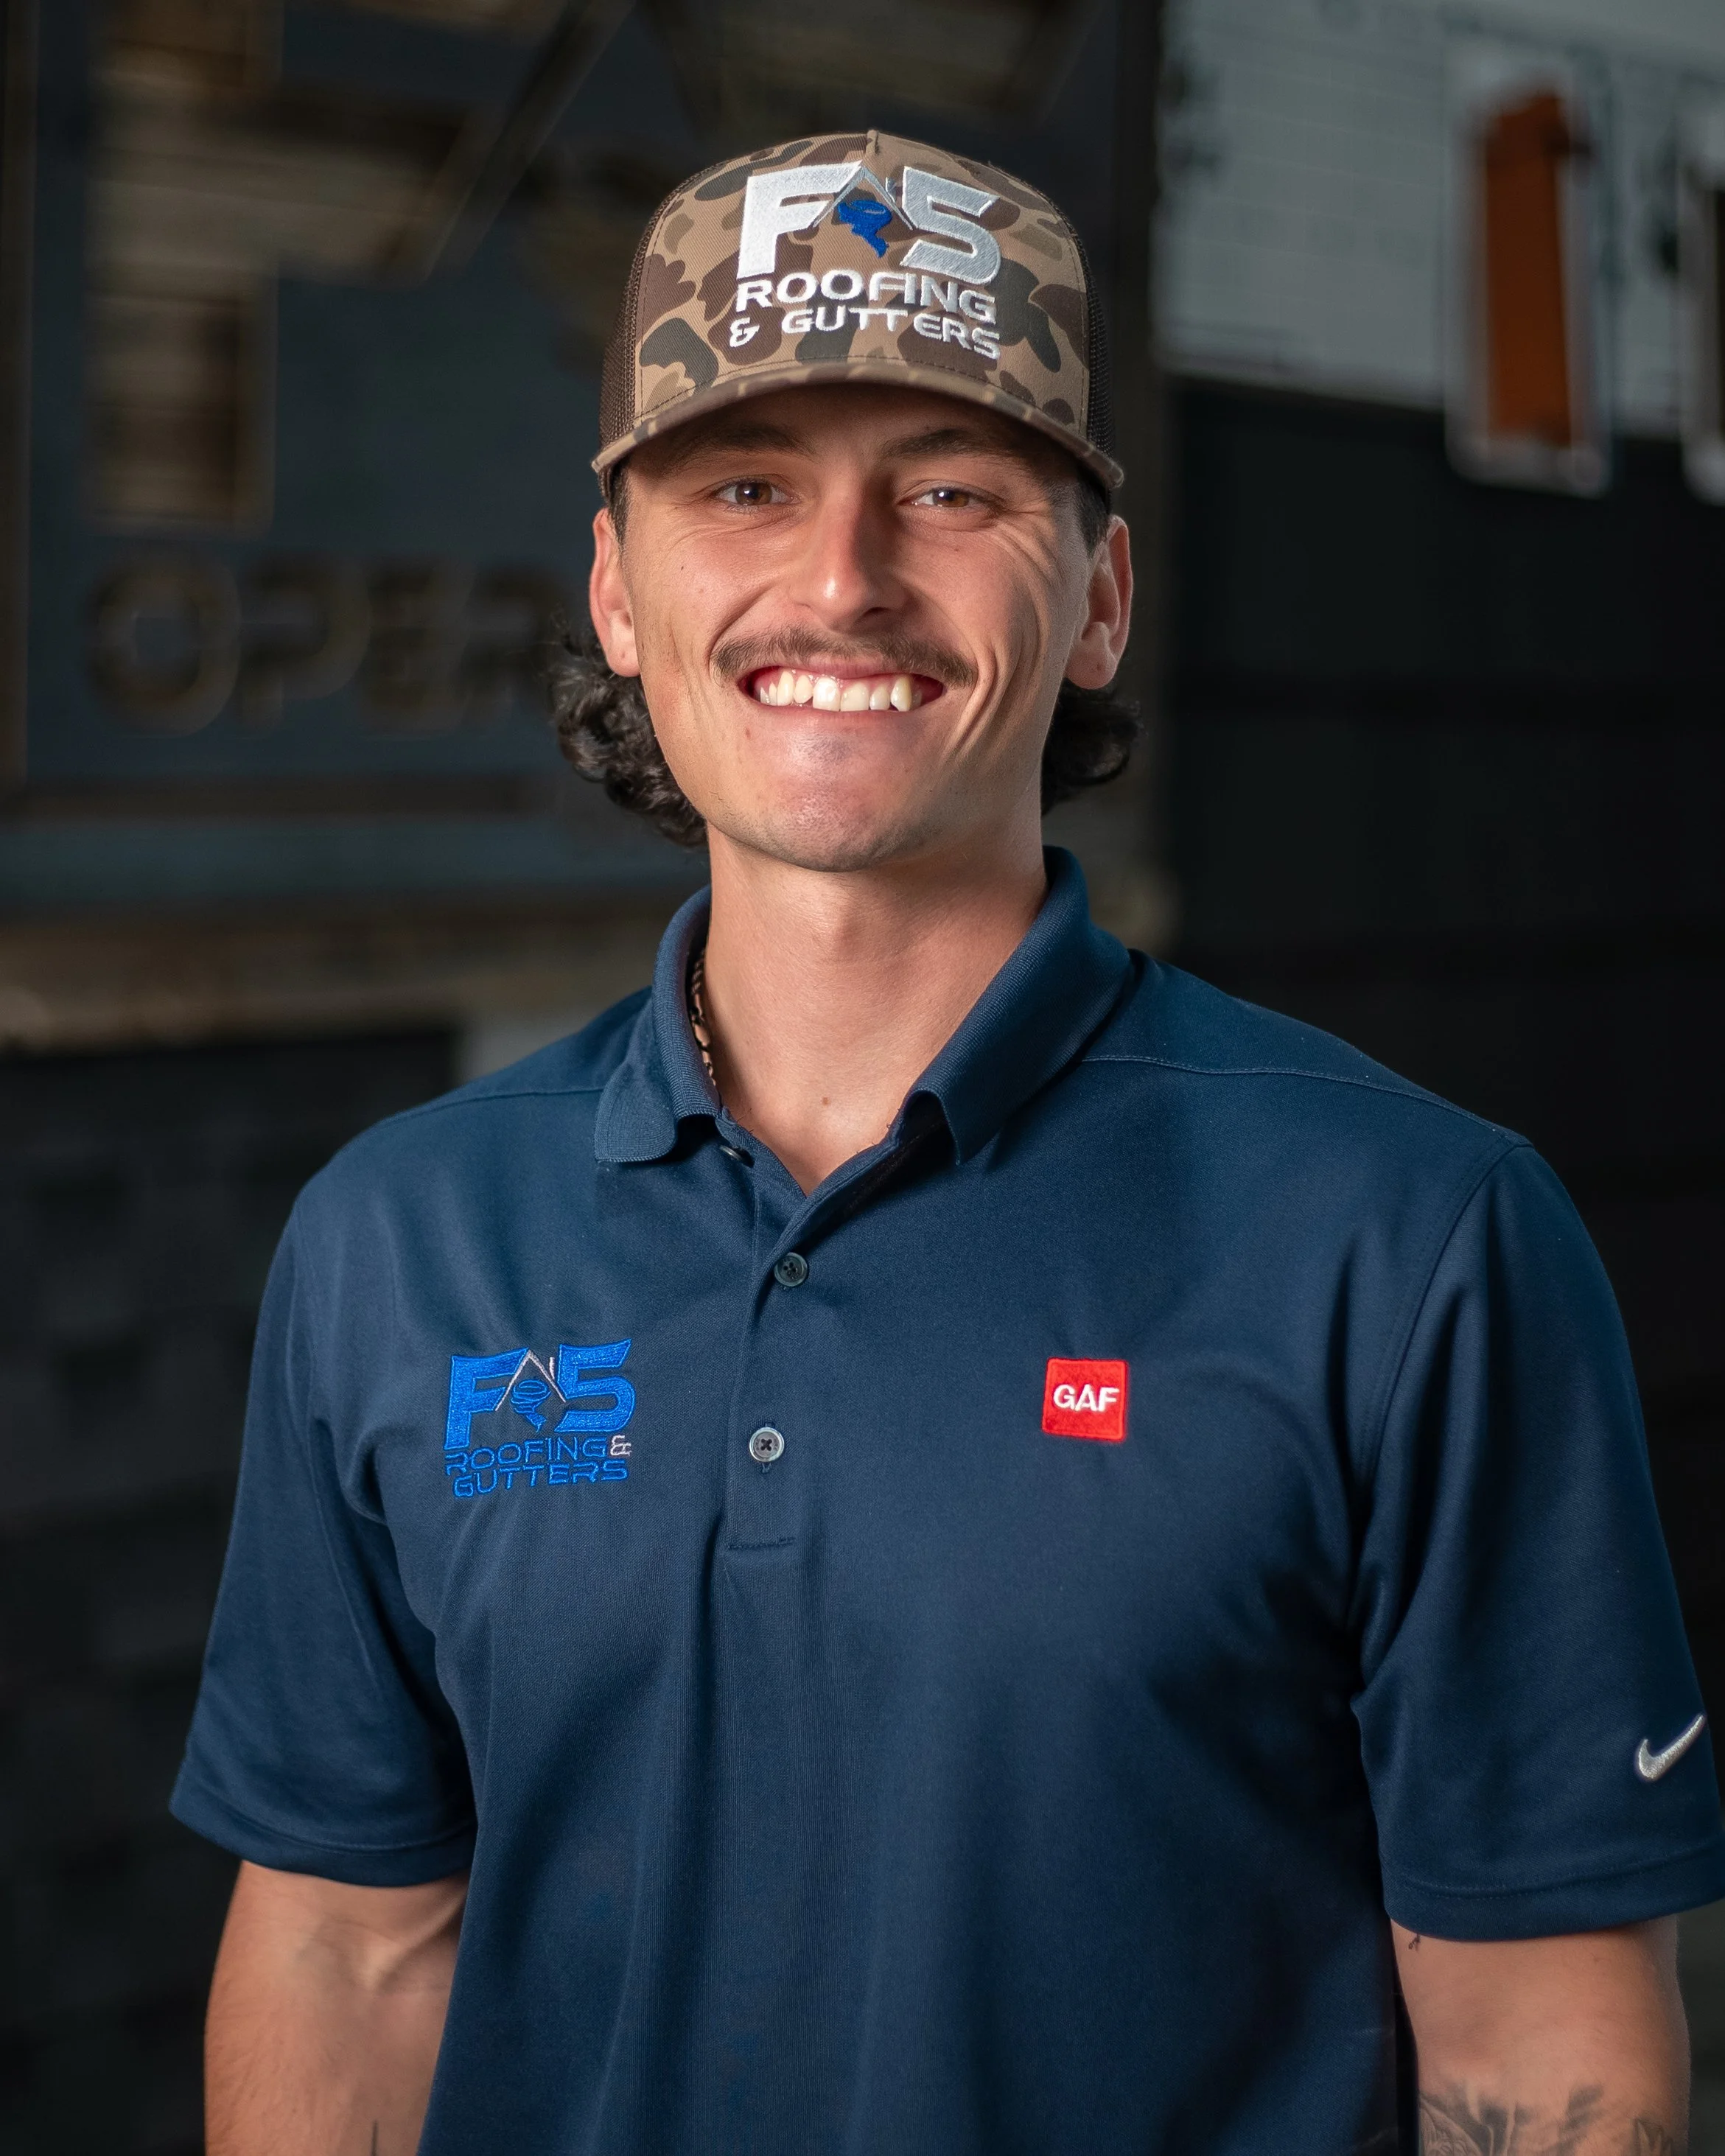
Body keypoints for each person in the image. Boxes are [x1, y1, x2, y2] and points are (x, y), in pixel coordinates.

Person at [175, 132, 1724, 2156]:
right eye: (745, 483)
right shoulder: (403, 1233)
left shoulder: (1409, 1235)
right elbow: (344, 1948)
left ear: (1095, 599)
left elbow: (1546, 2052)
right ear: (618, 593)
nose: (841, 575)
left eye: (950, 486)